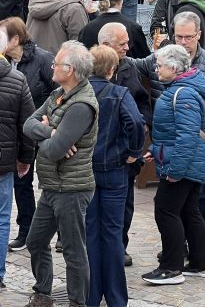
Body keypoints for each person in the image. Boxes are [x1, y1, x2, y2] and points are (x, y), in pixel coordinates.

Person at [22, 41, 100, 307]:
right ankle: (43, 293)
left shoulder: (81, 105)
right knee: (36, 241)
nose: (52, 67)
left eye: (57, 64)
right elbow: (28, 123)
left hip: (72, 188)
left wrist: (48, 133)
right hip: (52, 185)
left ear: (72, 70)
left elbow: (55, 151)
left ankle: (78, 302)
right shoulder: (59, 93)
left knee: (73, 249)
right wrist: (52, 131)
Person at [142, 44, 205, 286]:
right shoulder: (182, 89)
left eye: (160, 65)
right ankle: (200, 264)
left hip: (184, 164)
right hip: (187, 161)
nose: (156, 69)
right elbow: (174, 133)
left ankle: (171, 268)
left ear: (173, 68)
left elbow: (187, 136)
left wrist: (175, 171)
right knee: (189, 211)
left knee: (165, 209)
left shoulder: (182, 94)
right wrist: (155, 150)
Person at [0, 28, 35, 295]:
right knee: (0, 218)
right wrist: (25, 159)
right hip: (3, 160)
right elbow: (27, 124)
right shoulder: (17, 78)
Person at [86, 45, 143, 307]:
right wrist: (133, 152)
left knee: (90, 233)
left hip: (86, 171)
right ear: (112, 70)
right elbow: (135, 123)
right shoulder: (119, 93)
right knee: (112, 233)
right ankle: (117, 299)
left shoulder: (79, 92)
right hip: (114, 171)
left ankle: (91, 294)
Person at [0, 16, 56, 252]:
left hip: (42, 128)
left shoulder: (42, 59)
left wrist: (50, 120)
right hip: (17, 132)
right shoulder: (2, 62)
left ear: (16, 39)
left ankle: (61, 231)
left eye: (3, 37)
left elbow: (58, 90)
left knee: (52, 180)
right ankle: (26, 229)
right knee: (21, 182)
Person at [78, 0, 150, 60]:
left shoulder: (86, 29)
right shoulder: (133, 27)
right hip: (126, 71)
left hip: (96, 71)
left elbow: (82, 59)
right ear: (121, 1)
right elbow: (144, 58)